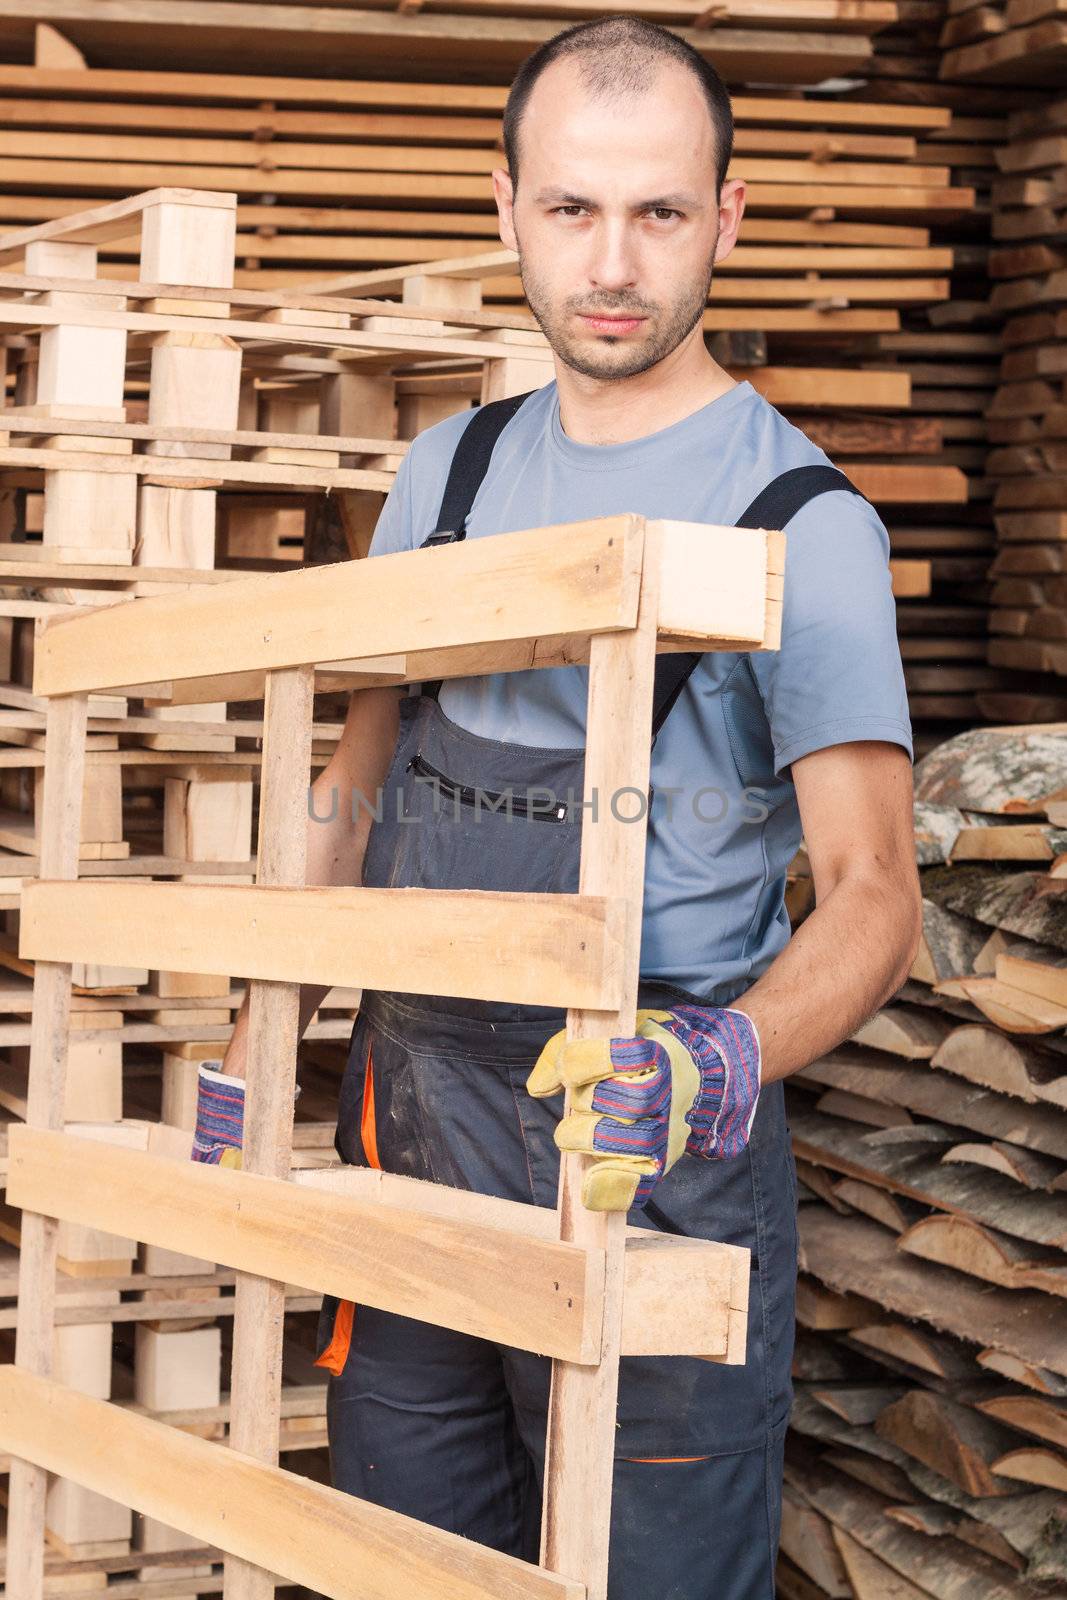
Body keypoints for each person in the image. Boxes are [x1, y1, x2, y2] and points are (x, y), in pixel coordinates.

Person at [196, 16, 922, 1597]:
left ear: (725, 221)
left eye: (660, 213)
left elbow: (876, 892)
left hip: (639, 1129)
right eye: (573, 208)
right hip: (415, 1116)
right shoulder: (441, 478)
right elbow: (353, 784)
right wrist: (256, 1022)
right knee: (400, 1558)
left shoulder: (808, 523)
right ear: (507, 210)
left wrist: (719, 1055)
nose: (613, 261)